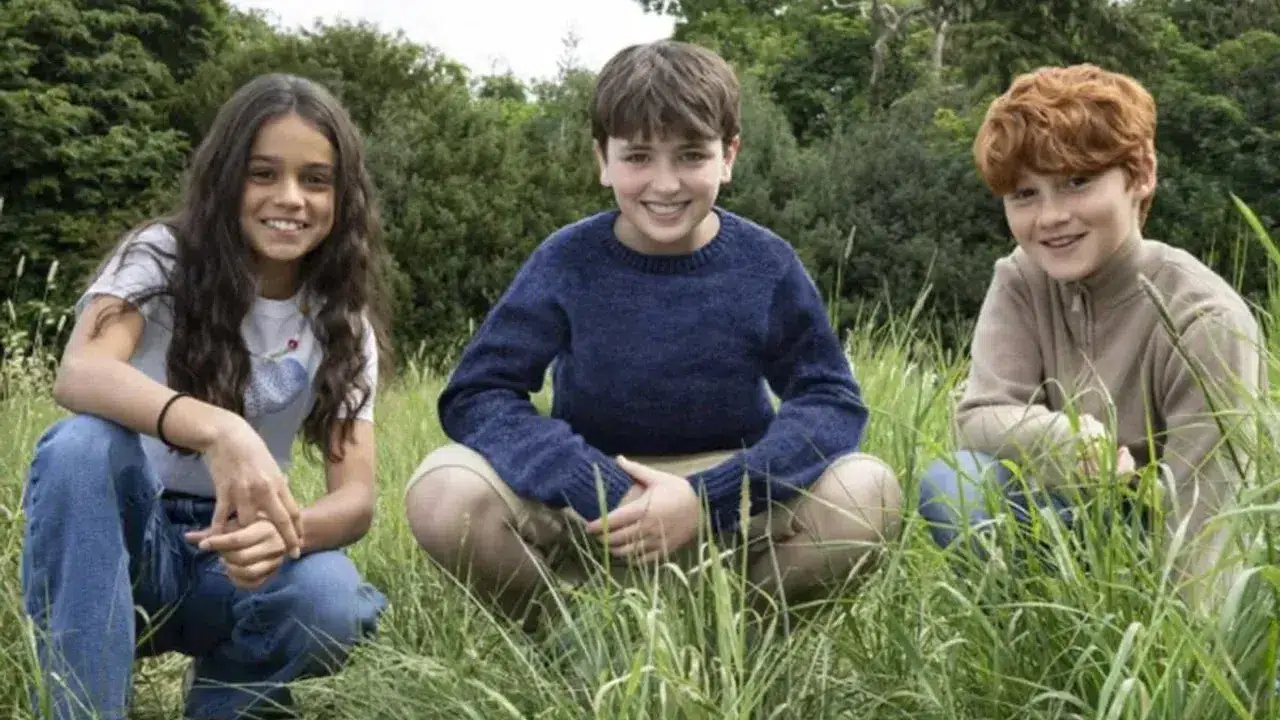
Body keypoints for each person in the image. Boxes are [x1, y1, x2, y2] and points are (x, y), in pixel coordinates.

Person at [404, 40, 902, 631]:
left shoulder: (766, 263)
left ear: (728, 155)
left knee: (869, 490)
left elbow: (829, 399)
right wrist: (596, 483)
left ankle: (733, 638)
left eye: (691, 155)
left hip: (729, 508)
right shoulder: (567, 260)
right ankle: (573, 639)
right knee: (443, 492)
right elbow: (477, 394)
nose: (665, 184)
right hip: (590, 508)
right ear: (602, 159)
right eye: (638, 156)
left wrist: (708, 498)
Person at [21, 73, 391, 720]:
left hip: (237, 554)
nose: (290, 198)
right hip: (123, 539)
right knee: (82, 446)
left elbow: (356, 499)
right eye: (263, 174)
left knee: (330, 595)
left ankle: (225, 704)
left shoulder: (342, 322)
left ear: (342, 196)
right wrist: (221, 430)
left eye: (316, 180)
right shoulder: (160, 255)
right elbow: (79, 371)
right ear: (225, 178)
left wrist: (287, 534)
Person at [917, 64, 1264, 608]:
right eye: (1025, 194)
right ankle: (1029, 635)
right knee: (955, 482)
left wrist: (1184, 643)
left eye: (1077, 182)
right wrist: (1069, 441)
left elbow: (1207, 519)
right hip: (1060, 518)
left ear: (1141, 174)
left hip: (1164, 536)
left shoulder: (1205, 318)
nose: (1051, 217)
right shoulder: (1021, 279)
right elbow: (979, 417)